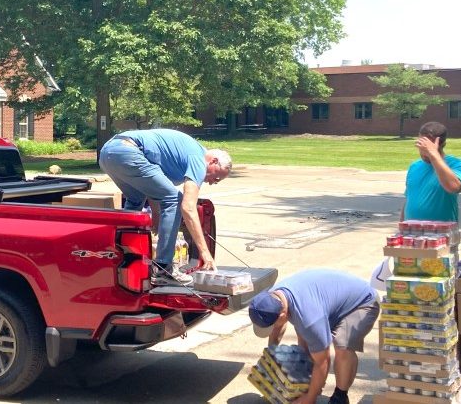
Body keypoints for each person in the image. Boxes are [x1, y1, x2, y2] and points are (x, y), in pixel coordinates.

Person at [98, 128, 232, 285]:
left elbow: (153, 187)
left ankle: (118, 255)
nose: (211, 182)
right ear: (213, 161)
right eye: (216, 177)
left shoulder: (183, 154)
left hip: (109, 151)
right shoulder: (198, 159)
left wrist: (156, 216)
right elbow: (188, 207)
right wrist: (204, 252)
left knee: (135, 200)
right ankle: (163, 268)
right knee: (174, 199)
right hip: (128, 152)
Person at [247, 269, 379, 404]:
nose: (273, 328)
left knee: (342, 346)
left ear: (282, 314)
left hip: (362, 302)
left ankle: (340, 396)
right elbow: (278, 327)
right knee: (305, 346)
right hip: (326, 300)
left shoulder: (309, 318)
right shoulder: (273, 297)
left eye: (272, 324)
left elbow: (323, 361)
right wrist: (272, 357)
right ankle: (309, 384)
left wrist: (310, 398)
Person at [402, 121, 461, 222]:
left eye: (428, 147)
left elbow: (454, 187)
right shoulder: (414, 166)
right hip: (412, 232)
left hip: (441, 232)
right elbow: (409, 199)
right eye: (421, 146)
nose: (423, 152)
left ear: (442, 144)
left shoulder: (455, 163)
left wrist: (433, 154)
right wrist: (402, 225)